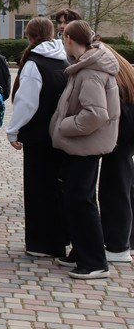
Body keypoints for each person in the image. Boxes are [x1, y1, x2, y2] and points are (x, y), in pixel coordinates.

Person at [51, 20, 120, 279]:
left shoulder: (90, 71)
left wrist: (65, 126)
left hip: (85, 145)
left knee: (81, 201)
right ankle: (81, 252)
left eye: (63, 37)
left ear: (69, 39)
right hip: (81, 144)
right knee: (77, 198)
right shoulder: (85, 66)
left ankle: (94, 261)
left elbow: (96, 114)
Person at [7, 18, 69, 259]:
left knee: (38, 189)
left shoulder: (35, 63)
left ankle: (42, 242)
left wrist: (13, 130)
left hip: (38, 135)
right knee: (56, 187)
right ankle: (60, 237)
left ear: (29, 36)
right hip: (58, 133)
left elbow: (27, 102)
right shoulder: (62, 59)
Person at [99, 46, 134, 264]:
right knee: (125, 187)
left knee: (115, 189)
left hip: (120, 136)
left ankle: (118, 244)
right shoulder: (127, 74)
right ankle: (126, 240)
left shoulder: (113, 77)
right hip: (127, 137)